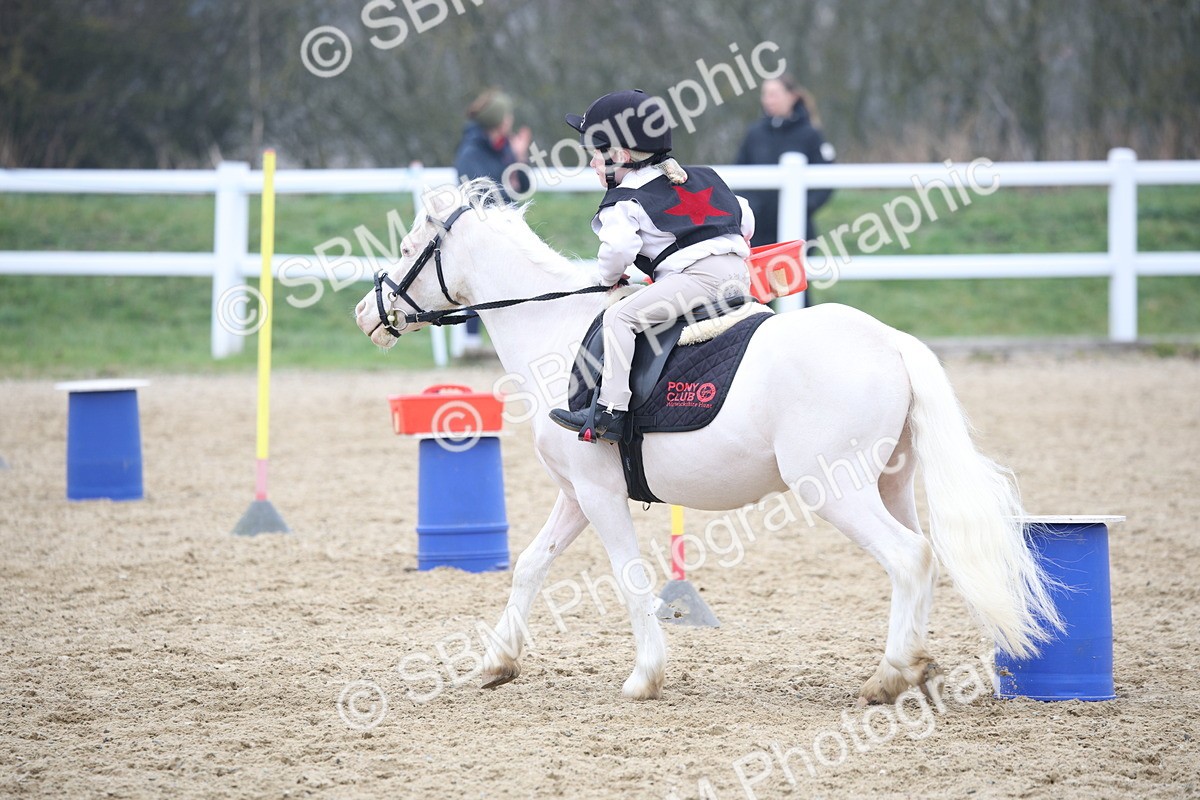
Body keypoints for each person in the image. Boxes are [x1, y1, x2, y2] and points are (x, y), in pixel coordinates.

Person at [549, 89, 755, 444]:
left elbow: (619, 248)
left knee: (620, 318)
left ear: (621, 156)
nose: (593, 163)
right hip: (739, 275)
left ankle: (610, 412)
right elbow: (745, 217)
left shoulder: (624, 200)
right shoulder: (702, 176)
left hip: (698, 283)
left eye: (597, 155)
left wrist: (610, 279)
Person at [452, 89, 532, 351]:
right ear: (500, 121)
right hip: (481, 229)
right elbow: (481, 194)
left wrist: (519, 158)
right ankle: (472, 343)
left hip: (506, 226)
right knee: (478, 285)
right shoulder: (470, 152)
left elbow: (522, 185)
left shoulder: (504, 147)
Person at [735, 75, 835, 250]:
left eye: (774, 94)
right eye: (765, 94)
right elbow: (738, 172)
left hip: (800, 229)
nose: (767, 100)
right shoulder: (755, 134)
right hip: (758, 231)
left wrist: (804, 207)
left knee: (796, 276)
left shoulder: (810, 134)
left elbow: (827, 179)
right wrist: (752, 207)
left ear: (791, 96)